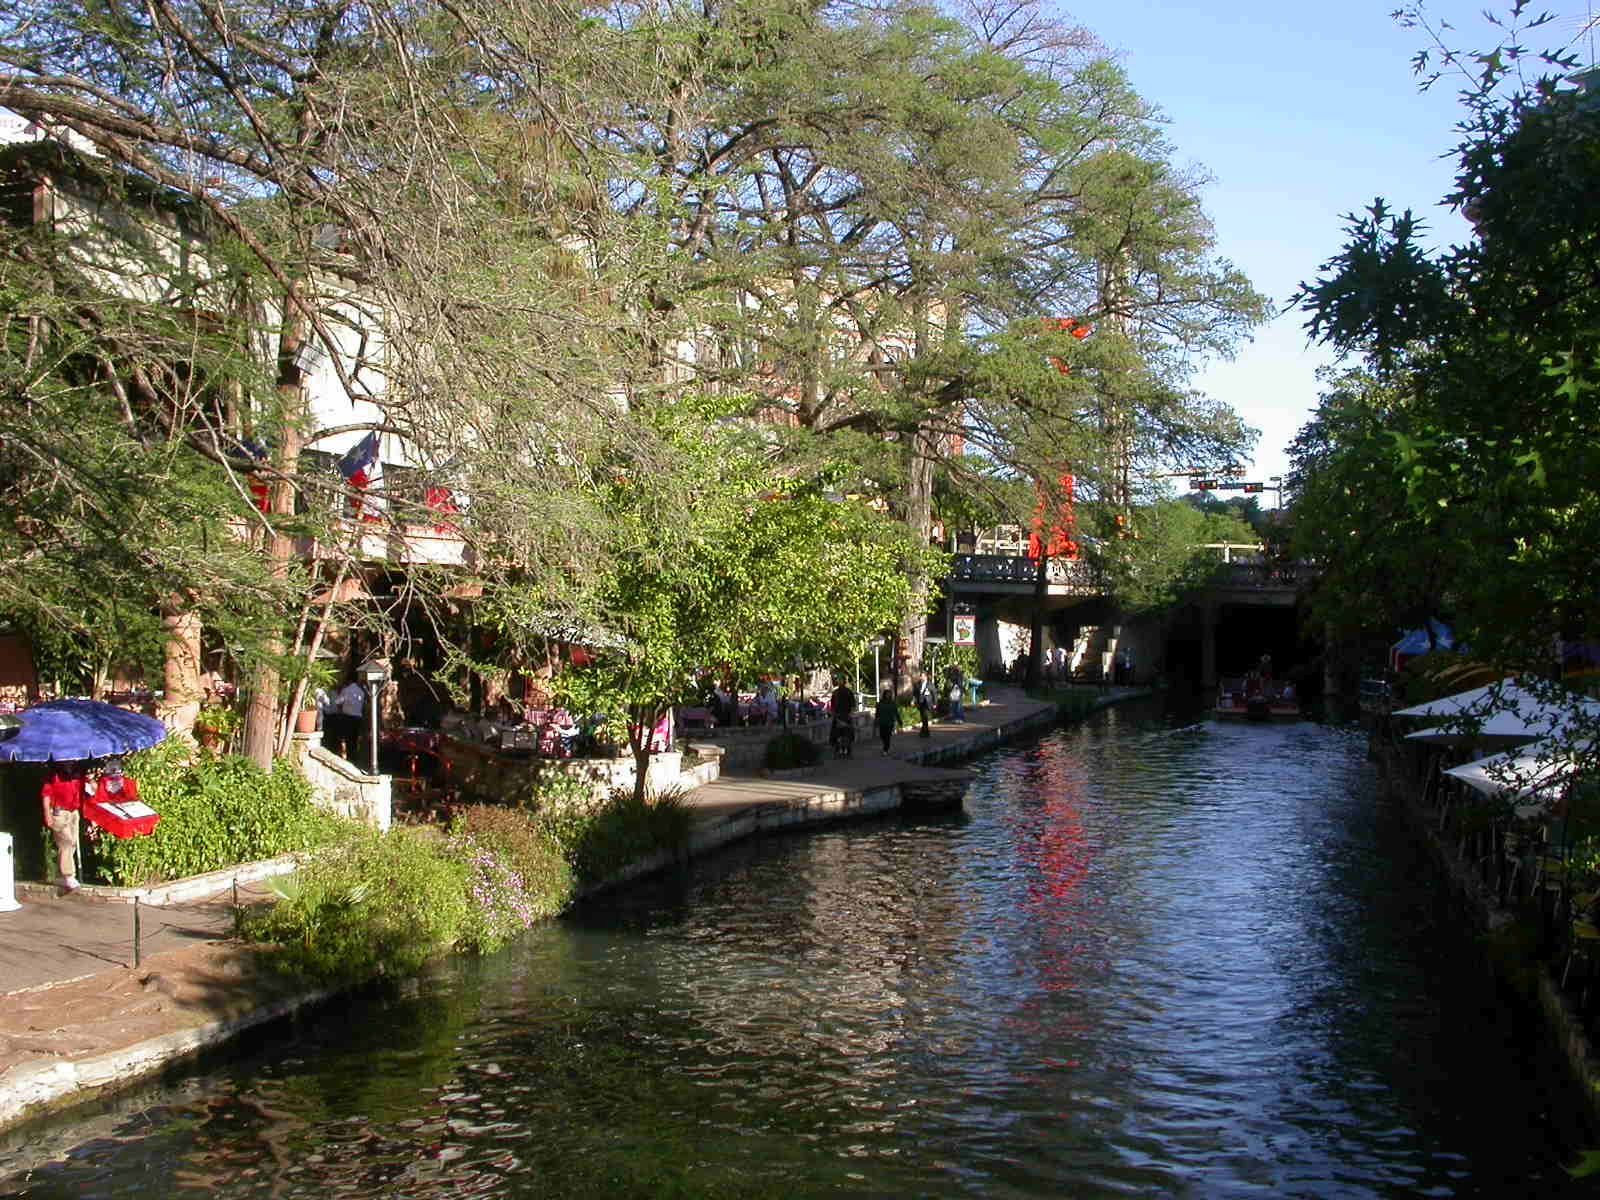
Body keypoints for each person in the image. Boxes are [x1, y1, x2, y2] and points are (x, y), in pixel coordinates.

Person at [41, 763, 85, 893]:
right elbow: (46, 795)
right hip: (58, 813)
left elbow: (85, 792)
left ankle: (62, 876)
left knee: (72, 843)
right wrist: (47, 814)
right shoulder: (53, 775)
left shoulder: (77, 774)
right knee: (66, 842)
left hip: (73, 812)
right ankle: (68, 875)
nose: (69, 762)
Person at [829, 679, 856, 757]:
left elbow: (852, 704)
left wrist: (850, 714)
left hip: (845, 716)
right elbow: (832, 705)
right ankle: (839, 750)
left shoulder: (848, 692)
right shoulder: (836, 692)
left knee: (846, 735)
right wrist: (834, 714)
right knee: (839, 735)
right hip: (839, 716)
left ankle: (846, 750)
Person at [874, 687, 900, 754]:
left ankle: (885, 749)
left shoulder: (892, 703)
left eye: (889, 694)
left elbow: (896, 712)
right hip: (882, 722)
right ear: (884, 695)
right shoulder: (880, 703)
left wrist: (899, 720)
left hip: (890, 722)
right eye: (887, 694)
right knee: (882, 735)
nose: (888, 695)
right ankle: (886, 747)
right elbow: (877, 713)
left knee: (887, 736)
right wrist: (876, 720)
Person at [912, 673, 933, 737]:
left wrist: (935, 703)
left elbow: (934, 693)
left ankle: (924, 732)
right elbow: (915, 693)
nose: (921, 677)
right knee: (923, 717)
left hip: (927, 703)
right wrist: (913, 700)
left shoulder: (930, 684)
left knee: (925, 717)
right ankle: (925, 731)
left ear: (925, 677)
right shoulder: (917, 684)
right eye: (921, 676)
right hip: (920, 703)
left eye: (922, 676)